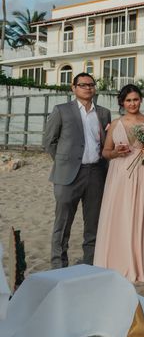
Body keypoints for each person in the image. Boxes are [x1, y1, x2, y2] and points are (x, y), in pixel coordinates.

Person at [43, 73, 111, 268]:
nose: (88, 88)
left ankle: (90, 263)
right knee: (62, 223)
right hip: (68, 175)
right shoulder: (61, 110)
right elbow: (49, 141)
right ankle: (59, 265)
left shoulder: (104, 113)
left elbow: (105, 143)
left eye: (91, 85)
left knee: (93, 223)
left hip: (96, 173)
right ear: (73, 88)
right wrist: (65, 161)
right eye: (82, 85)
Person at [94, 84, 144, 282]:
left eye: (135, 99)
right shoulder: (116, 124)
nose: (132, 103)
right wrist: (116, 152)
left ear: (141, 100)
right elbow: (105, 152)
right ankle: (119, 259)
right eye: (128, 100)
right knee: (121, 214)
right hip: (121, 175)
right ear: (122, 102)